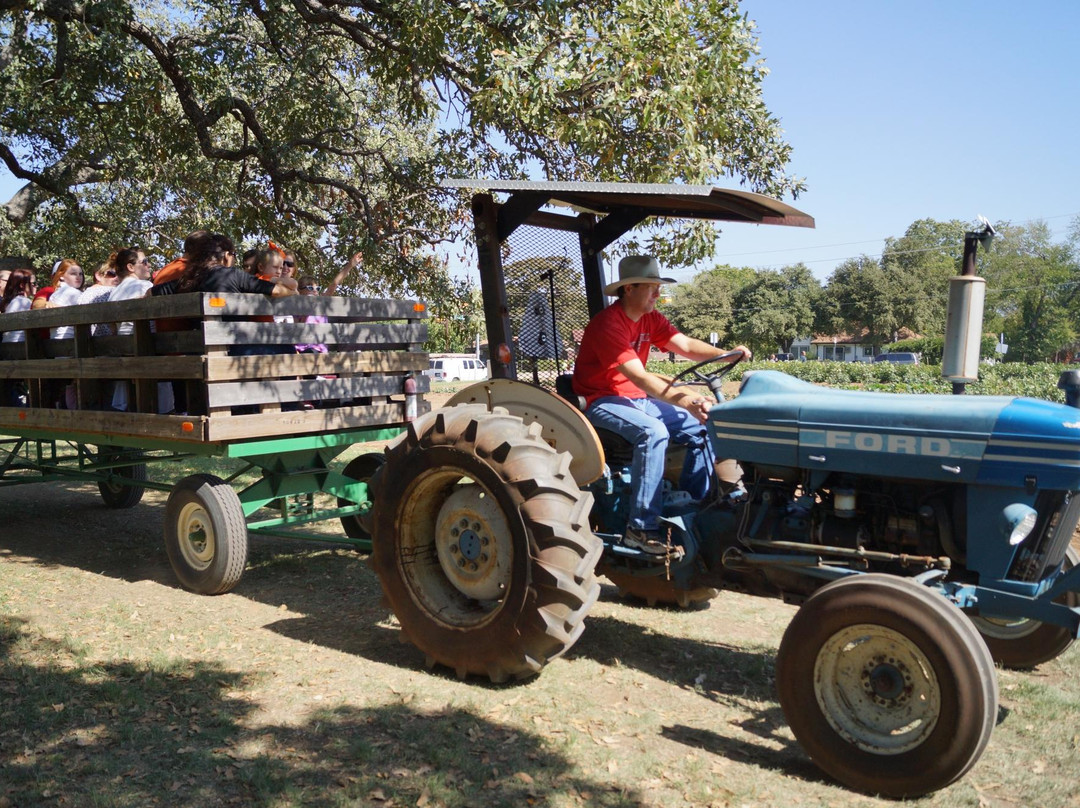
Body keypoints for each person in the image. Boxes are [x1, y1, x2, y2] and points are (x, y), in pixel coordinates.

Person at [572, 255, 749, 556]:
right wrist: (686, 399)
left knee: (698, 426)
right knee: (652, 432)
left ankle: (696, 509)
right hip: (601, 400)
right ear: (629, 289)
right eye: (652, 287)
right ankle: (639, 527)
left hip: (635, 400)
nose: (658, 293)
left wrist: (728, 354)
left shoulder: (651, 318)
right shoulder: (608, 325)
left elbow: (687, 346)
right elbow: (639, 377)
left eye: (658, 287)